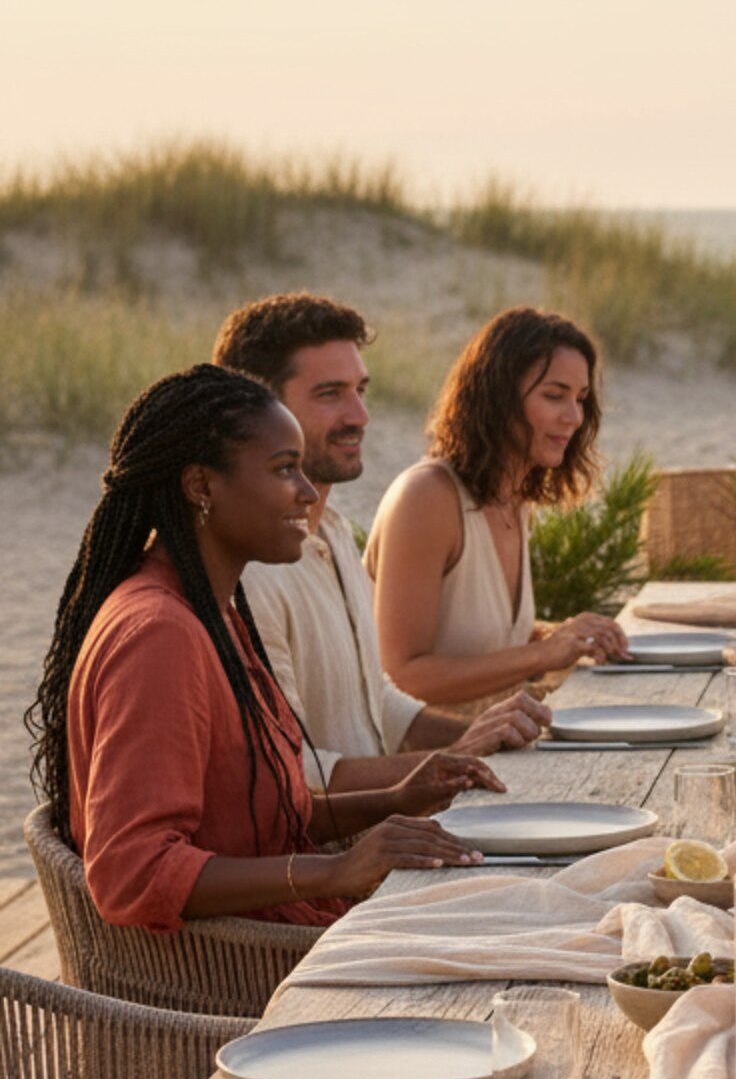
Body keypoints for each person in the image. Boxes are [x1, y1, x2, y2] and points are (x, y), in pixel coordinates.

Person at [26, 366, 490, 933]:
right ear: (200, 487)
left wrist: (396, 797)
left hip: (292, 936)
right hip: (244, 975)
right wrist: (334, 871)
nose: (307, 491)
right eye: (284, 470)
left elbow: (259, 821)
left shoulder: (213, 610)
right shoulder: (158, 635)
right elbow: (133, 873)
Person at [213, 294, 553, 788]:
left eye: (361, 390)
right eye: (330, 393)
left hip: (389, 829)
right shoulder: (246, 574)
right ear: (254, 411)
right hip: (337, 859)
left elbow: (377, 702)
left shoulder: (332, 533)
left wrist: (482, 735)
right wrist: (451, 758)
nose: (360, 416)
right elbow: (285, 774)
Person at [365, 308, 629, 713]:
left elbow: (488, 643)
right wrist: (543, 655)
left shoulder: (513, 498)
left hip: (503, 749)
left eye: (580, 399)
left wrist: (567, 636)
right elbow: (402, 676)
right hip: (430, 763)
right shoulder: (426, 498)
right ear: (498, 397)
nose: (574, 417)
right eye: (554, 396)